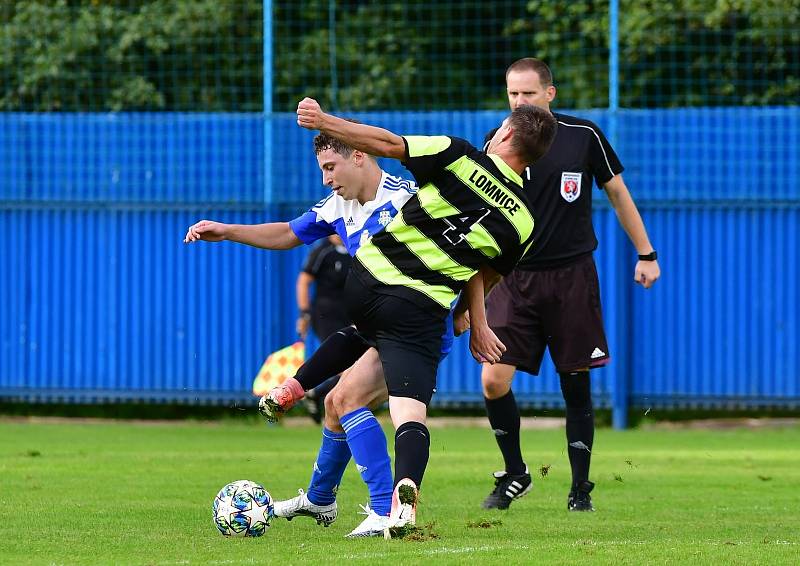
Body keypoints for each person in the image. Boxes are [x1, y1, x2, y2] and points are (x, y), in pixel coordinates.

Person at [295, 96, 558, 529]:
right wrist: (469, 322)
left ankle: (297, 395)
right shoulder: (526, 222)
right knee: (408, 412)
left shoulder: (459, 156)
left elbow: (385, 144)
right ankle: (403, 495)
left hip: (372, 281)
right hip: (423, 309)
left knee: (350, 377)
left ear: (506, 133)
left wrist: (326, 122)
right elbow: (485, 274)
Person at [467, 58, 661, 513]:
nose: (519, 103)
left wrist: (646, 253)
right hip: (513, 279)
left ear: (550, 94)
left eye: (528, 95)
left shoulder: (584, 135)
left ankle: (579, 490)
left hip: (572, 277)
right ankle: (516, 473)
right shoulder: (498, 141)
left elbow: (618, 193)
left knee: (575, 382)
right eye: (513, 95)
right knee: (493, 379)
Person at [295, 234, 351, 423]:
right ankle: (321, 396)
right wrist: (304, 313)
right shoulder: (322, 251)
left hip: (351, 316)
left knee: (356, 367)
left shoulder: (356, 247)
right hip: (325, 315)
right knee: (345, 366)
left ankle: (317, 394)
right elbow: (303, 281)